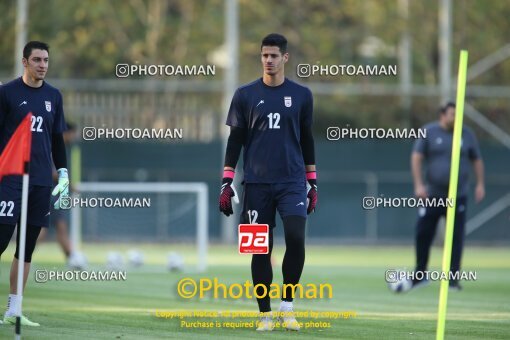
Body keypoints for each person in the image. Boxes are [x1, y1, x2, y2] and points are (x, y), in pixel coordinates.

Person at [219, 33, 317, 331]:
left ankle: (287, 306)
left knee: (296, 238)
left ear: (285, 57)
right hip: (256, 185)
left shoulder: (302, 95)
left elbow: (307, 139)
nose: (269, 60)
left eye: (274, 55)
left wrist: (312, 181)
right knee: (260, 249)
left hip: (291, 182)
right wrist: (226, 180)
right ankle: (265, 313)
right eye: (264, 55)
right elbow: (235, 141)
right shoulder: (244, 94)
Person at [0, 41, 69, 326]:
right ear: (24, 62)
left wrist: (63, 172)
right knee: (1, 240)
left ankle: (14, 309)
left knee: (27, 247)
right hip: (9, 180)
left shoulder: (54, 95)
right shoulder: (6, 93)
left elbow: (56, 139)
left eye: (46, 60)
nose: (43, 65)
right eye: (37, 60)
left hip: (40, 181)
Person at [409, 102, 485, 291]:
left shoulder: (466, 134)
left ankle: (453, 279)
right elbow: (417, 157)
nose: (455, 118)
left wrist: (480, 184)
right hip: (432, 195)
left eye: (457, 114)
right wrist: (419, 185)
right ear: (442, 115)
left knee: (456, 238)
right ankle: (420, 275)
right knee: (423, 234)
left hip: (458, 196)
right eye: (452, 114)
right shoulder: (429, 131)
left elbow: (476, 159)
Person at [38, 123, 86, 269]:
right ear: (66, 132)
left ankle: (71, 258)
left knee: (59, 227)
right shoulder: (53, 147)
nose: (74, 137)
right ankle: (23, 255)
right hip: (52, 194)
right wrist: (70, 186)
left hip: (56, 194)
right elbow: (53, 173)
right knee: (47, 229)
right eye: (72, 134)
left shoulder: (57, 147)